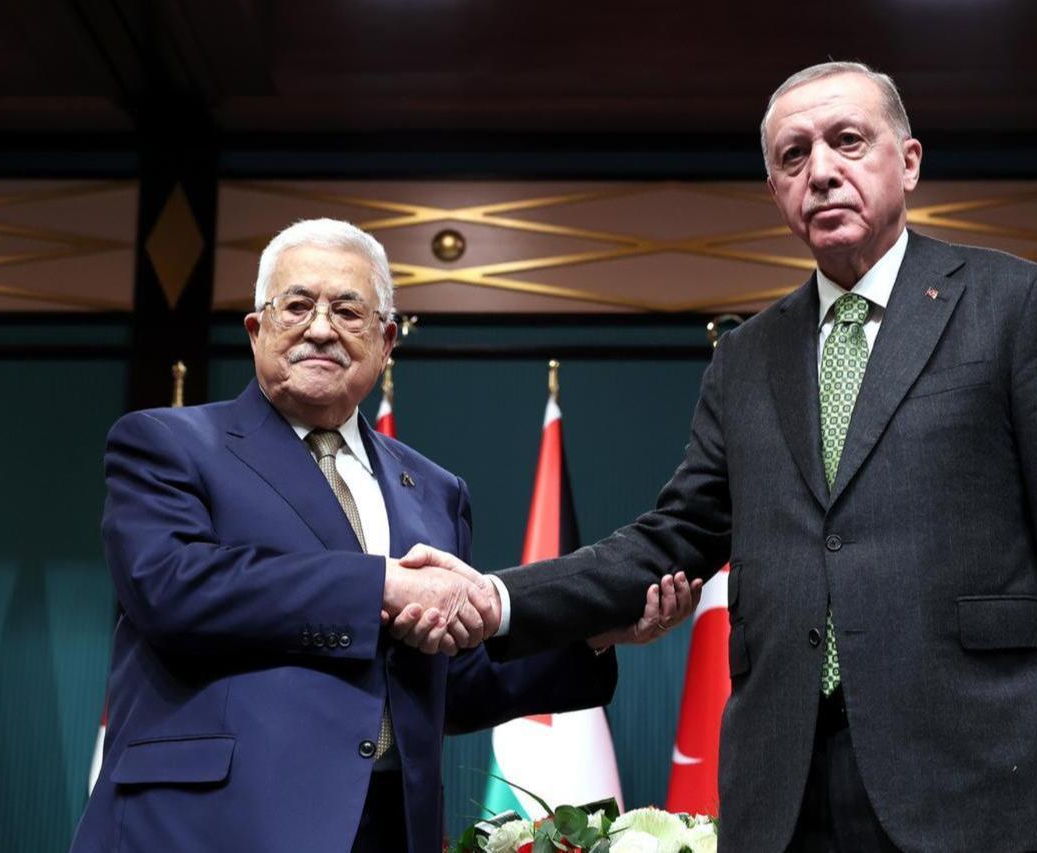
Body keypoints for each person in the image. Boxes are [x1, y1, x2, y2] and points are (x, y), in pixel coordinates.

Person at [401, 63, 1037, 852]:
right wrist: (494, 596)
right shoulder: (747, 356)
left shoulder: (1015, 303)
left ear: (909, 162)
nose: (820, 171)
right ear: (776, 191)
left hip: (977, 772)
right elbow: (674, 535)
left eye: (847, 141)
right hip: (786, 789)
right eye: (794, 156)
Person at [71, 218, 698, 853]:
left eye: (348, 311)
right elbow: (172, 587)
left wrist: (592, 635)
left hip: (387, 827)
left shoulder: (434, 490)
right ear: (257, 330)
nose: (321, 329)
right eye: (297, 306)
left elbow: (451, 685)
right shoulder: (165, 443)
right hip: (208, 827)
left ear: (386, 340)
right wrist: (382, 586)